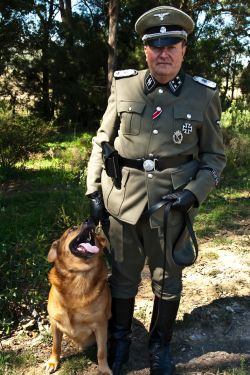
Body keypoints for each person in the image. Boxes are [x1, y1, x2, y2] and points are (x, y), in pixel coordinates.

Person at [86, 5, 226, 375]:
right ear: (146, 50)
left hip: (171, 207)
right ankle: (119, 344)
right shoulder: (124, 85)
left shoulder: (202, 95)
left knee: (167, 279)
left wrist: (193, 194)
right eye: (156, 45)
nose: (164, 53)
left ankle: (159, 346)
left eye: (172, 45)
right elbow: (103, 141)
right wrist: (94, 192)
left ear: (184, 49)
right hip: (122, 200)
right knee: (124, 277)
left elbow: (214, 158)